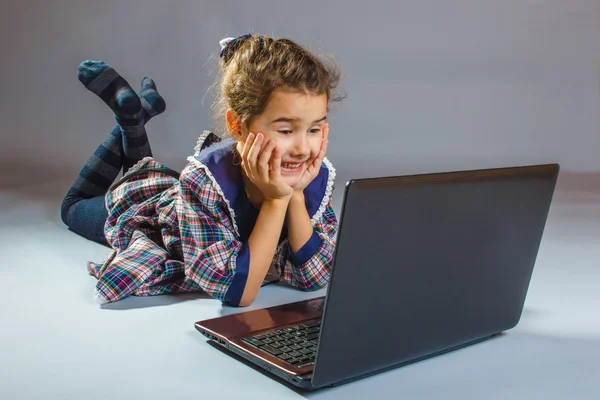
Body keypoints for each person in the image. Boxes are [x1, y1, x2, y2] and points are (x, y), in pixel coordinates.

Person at [60, 34, 343, 307]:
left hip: (179, 196)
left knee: (137, 165)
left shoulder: (307, 177)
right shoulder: (205, 181)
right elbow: (239, 292)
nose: (303, 149)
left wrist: (294, 196)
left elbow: (314, 276)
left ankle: (133, 117)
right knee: (72, 207)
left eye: (315, 128)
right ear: (237, 126)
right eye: (285, 130)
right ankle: (129, 120)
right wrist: (276, 200)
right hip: (149, 214)